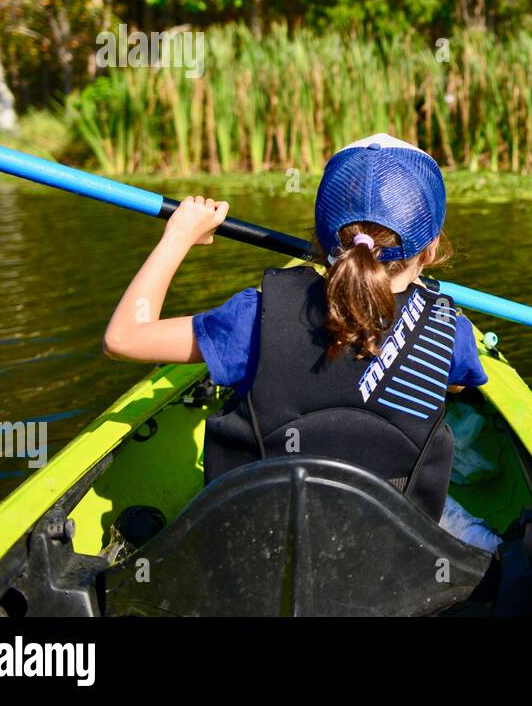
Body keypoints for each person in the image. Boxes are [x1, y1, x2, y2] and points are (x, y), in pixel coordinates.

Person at [102, 134, 501, 551]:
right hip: (387, 557)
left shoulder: (253, 317)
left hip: (259, 543)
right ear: (432, 249)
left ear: (322, 241)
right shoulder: (450, 332)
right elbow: (455, 385)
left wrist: (178, 236)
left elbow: (123, 338)